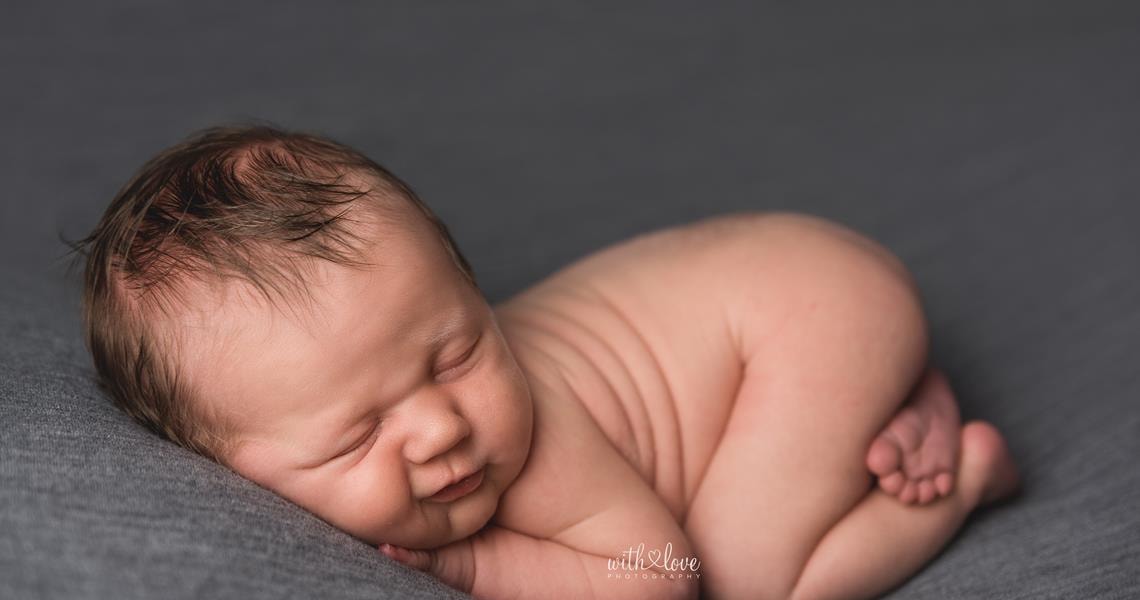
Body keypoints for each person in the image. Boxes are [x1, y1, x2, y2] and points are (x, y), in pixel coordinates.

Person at [71, 125, 1019, 599]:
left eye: (455, 354)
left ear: (472, 288)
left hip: (805, 314)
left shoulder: (535, 441)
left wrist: (485, 562)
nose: (443, 425)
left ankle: (956, 476)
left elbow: (660, 570)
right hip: (790, 294)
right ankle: (886, 398)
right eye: (360, 433)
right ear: (225, 463)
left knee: (748, 577)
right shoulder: (398, 419)